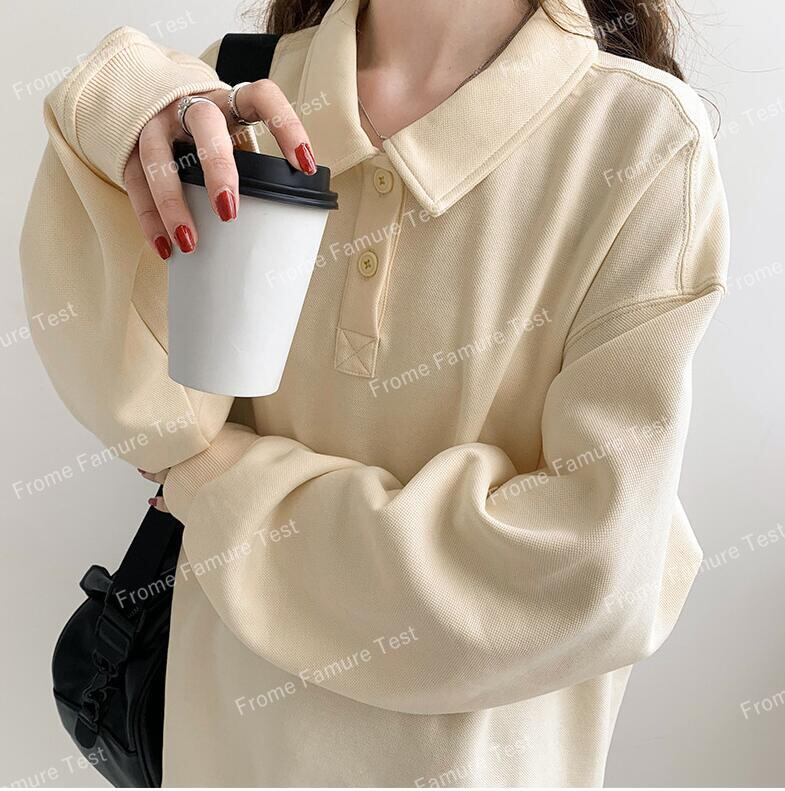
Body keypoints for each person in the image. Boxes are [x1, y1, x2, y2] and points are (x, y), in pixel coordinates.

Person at [20, 0, 729, 785]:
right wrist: (111, 104)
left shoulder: (643, 140)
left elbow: (587, 574)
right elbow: (148, 413)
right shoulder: (233, 91)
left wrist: (214, 481)